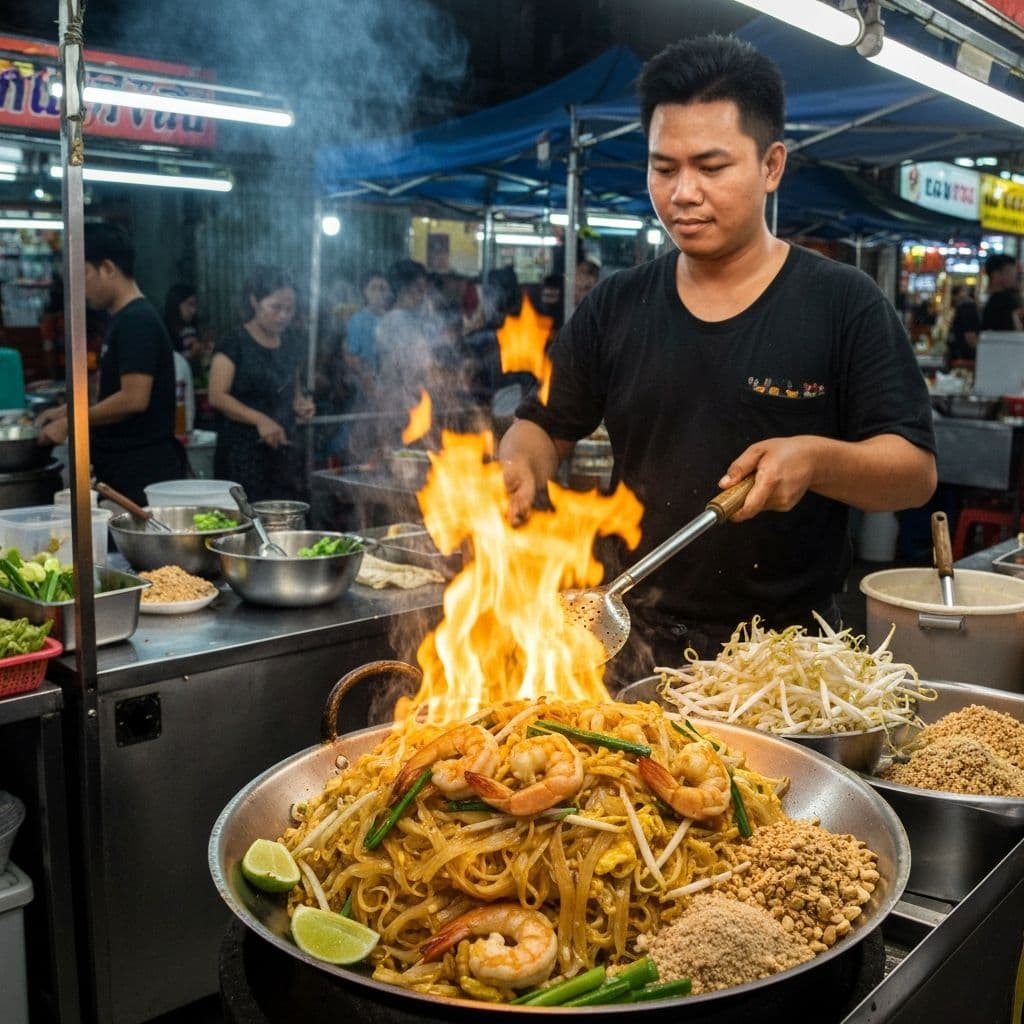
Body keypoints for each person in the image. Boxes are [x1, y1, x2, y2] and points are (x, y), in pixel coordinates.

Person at [498, 35, 937, 685]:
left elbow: (913, 472)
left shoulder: (844, 302)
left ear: (771, 165)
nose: (683, 193)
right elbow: (542, 425)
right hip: (630, 644)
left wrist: (816, 459)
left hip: (786, 662)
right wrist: (518, 468)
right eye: (664, 168)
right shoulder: (617, 303)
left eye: (710, 167)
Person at [37, 222, 185, 505]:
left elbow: (133, 399)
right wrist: (67, 410)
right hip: (124, 467)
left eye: (83, 274)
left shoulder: (137, 320)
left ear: (107, 268)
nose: (79, 288)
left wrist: (72, 422)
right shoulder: (121, 319)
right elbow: (114, 390)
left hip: (142, 471)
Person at [207, 266, 315, 502]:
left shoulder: (291, 343)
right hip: (241, 456)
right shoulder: (234, 342)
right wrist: (260, 420)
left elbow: (293, 391)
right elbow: (217, 396)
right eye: (275, 307)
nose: (283, 316)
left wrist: (301, 404)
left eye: (289, 309)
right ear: (254, 302)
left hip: (283, 455)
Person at [981, 254, 1023, 332]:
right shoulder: (1005, 300)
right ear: (996, 274)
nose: (1014, 276)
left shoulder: (993, 300)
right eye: (1010, 272)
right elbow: (1016, 333)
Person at [945, 284, 981, 368]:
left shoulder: (964, 307)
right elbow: (970, 336)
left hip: (959, 356)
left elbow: (969, 335)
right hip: (965, 358)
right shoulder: (968, 307)